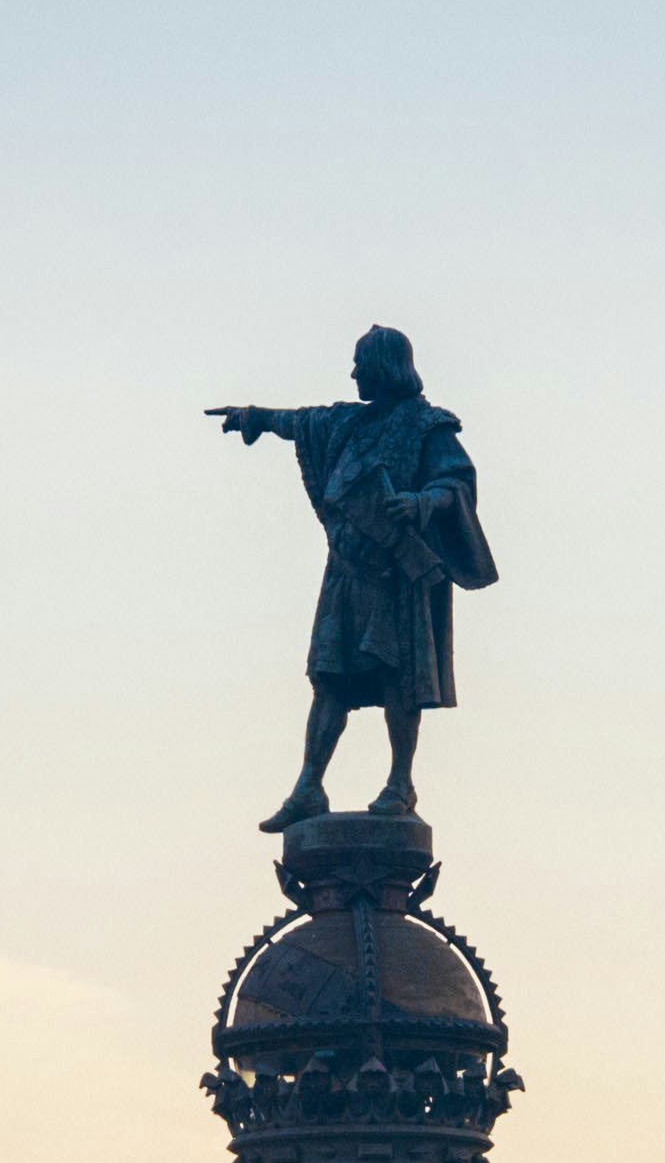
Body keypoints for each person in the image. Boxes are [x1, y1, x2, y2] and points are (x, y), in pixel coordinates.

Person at [208, 325, 498, 828]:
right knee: (328, 681)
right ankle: (308, 788)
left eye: (360, 363)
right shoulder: (347, 424)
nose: (353, 372)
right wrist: (252, 417)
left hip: (397, 572)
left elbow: (457, 483)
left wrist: (422, 501)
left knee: (398, 680)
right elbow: (300, 421)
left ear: (383, 367)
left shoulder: (429, 426)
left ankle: (400, 784)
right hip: (345, 571)